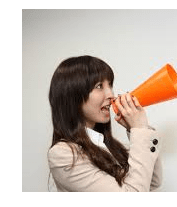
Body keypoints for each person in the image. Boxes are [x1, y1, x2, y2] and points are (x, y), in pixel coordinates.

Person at [47, 55, 162, 192]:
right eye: (99, 86)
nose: (111, 94)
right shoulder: (63, 154)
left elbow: (152, 182)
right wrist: (139, 129)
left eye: (110, 85)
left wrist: (136, 131)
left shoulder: (109, 146)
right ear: (73, 96)